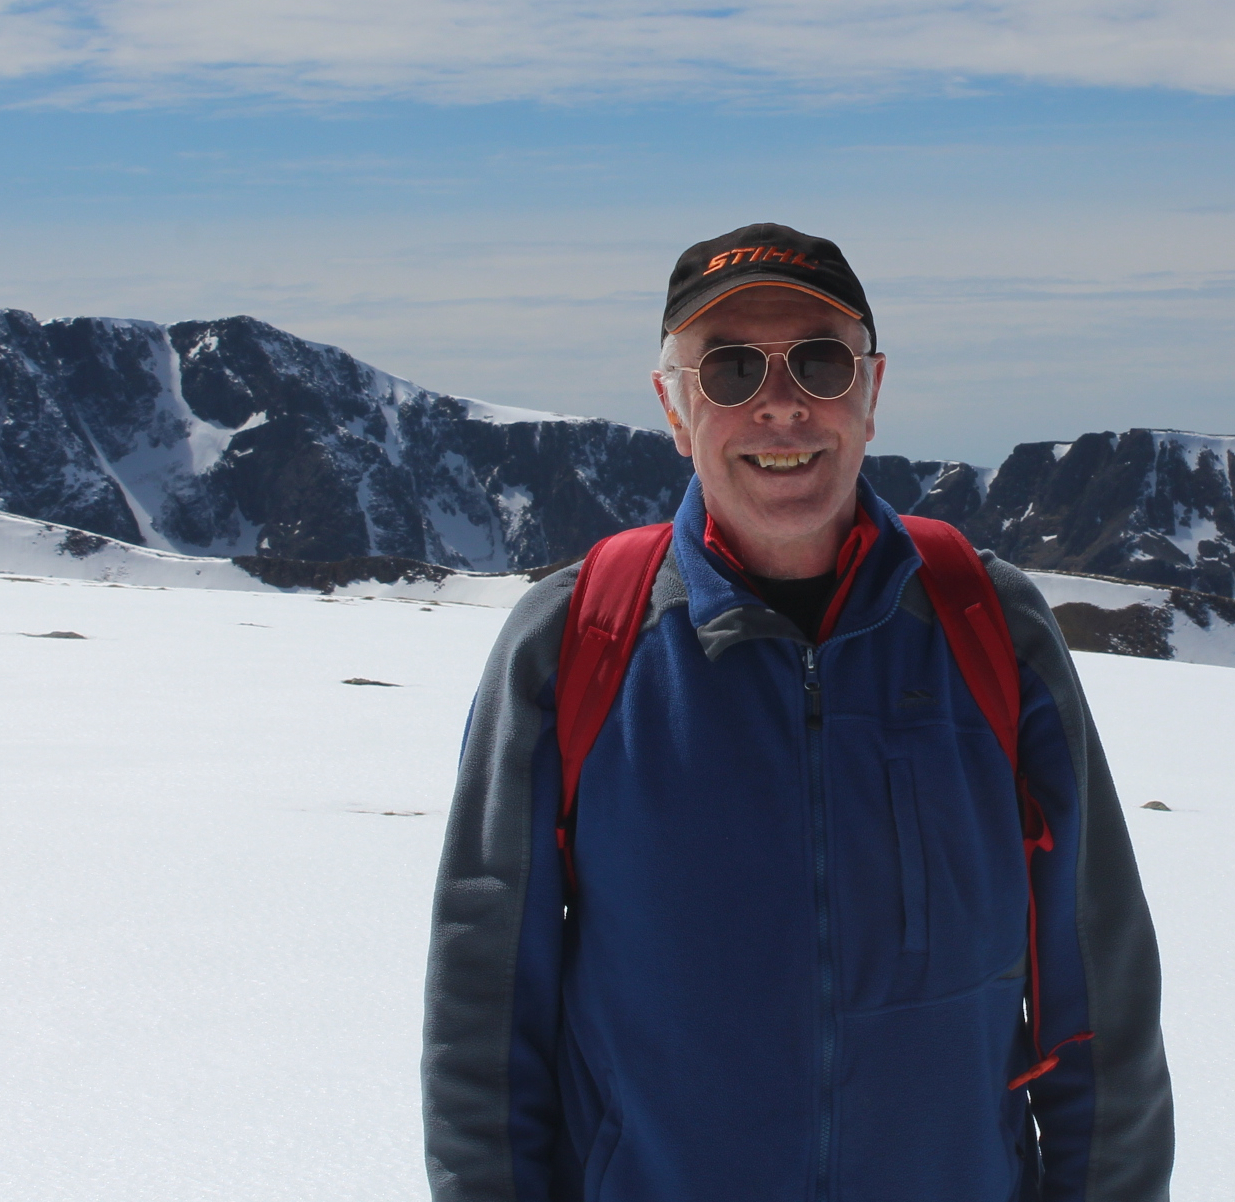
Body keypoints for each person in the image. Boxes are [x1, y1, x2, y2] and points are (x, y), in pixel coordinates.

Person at [422, 222, 1173, 1202]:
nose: (780, 405)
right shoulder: (575, 644)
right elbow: (484, 1015)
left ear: (871, 390)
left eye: (819, 362)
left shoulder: (988, 629)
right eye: (730, 370)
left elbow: (1096, 992)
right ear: (673, 406)